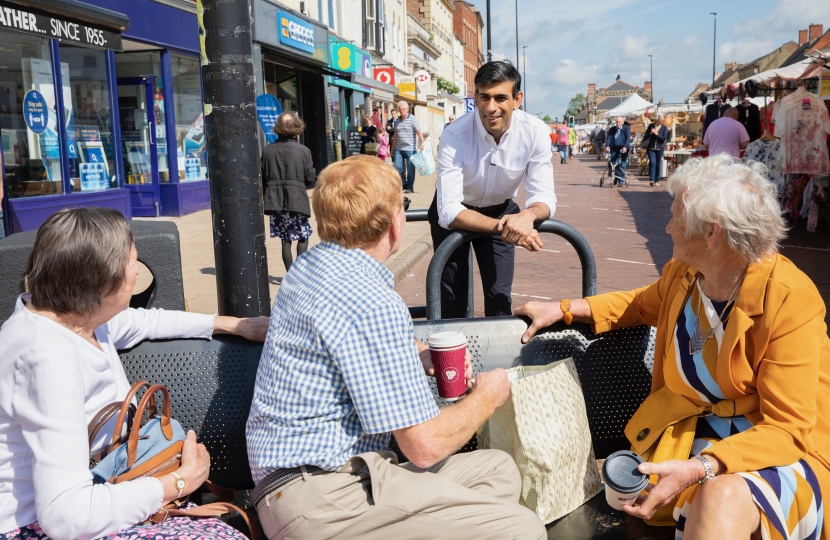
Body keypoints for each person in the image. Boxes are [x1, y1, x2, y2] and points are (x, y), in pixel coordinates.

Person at [516, 155, 830, 540]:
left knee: (720, 498)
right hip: (691, 439)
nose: (666, 228)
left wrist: (702, 467)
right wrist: (564, 309)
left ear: (712, 232)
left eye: (676, 218)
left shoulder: (789, 299)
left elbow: (787, 428)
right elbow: (638, 304)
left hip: (776, 451)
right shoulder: (686, 274)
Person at [247, 155, 546, 540]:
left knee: (496, 471)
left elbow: (347, 336)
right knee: (521, 528)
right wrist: (489, 395)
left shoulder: (310, 267)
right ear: (394, 223)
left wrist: (416, 353)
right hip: (325, 500)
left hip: (307, 483)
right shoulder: (372, 300)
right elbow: (424, 446)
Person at [0, 207, 270, 540]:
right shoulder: (47, 359)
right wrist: (181, 481)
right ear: (100, 283)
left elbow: (144, 322)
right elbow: (66, 516)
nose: (136, 275)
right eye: (131, 265)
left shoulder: (75, 317)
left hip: (108, 484)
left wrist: (229, 325)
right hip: (37, 524)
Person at [431, 61, 556, 319]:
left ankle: (497, 357)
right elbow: (449, 211)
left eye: (501, 98)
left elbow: (543, 196)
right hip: (460, 214)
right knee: (453, 299)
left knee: (499, 296)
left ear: (517, 99)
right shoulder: (454, 135)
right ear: (475, 97)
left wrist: (527, 217)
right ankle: (454, 358)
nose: (491, 108)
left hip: (502, 210)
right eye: (484, 97)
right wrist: (506, 227)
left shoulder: (535, 132)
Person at [262, 112, 317, 272]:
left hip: (275, 200)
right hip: (297, 199)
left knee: (285, 241)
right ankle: (299, 273)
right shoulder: (303, 150)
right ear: (297, 128)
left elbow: (263, 177)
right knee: (303, 236)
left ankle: (289, 273)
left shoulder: (267, 151)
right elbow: (309, 177)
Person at [390, 101, 425, 194]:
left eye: (403, 109)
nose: (402, 111)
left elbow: (419, 132)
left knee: (410, 170)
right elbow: (395, 135)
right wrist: (392, 149)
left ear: (407, 109)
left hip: (410, 149)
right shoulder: (396, 121)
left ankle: (410, 187)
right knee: (397, 167)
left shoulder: (413, 119)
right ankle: (404, 183)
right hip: (399, 149)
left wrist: (422, 143)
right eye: (400, 109)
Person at [644, 114, 669, 187]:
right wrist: (650, 133)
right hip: (651, 148)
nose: (662, 119)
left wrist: (657, 134)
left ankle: (657, 180)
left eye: (662, 118)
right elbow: (645, 137)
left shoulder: (664, 128)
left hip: (659, 148)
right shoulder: (651, 126)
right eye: (660, 118)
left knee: (658, 165)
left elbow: (664, 139)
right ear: (656, 118)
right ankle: (652, 180)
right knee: (652, 163)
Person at [605, 116, 631, 187]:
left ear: (622, 122)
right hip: (615, 147)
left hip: (623, 148)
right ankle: (615, 178)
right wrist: (607, 146)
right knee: (614, 164)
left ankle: (621, 181)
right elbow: (609, 138)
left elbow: (628, 139)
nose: (618, 123)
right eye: (616, 122)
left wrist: (625, 147)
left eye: (619, 122)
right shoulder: (612, 129)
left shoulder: (626, 128)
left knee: (623, 164)